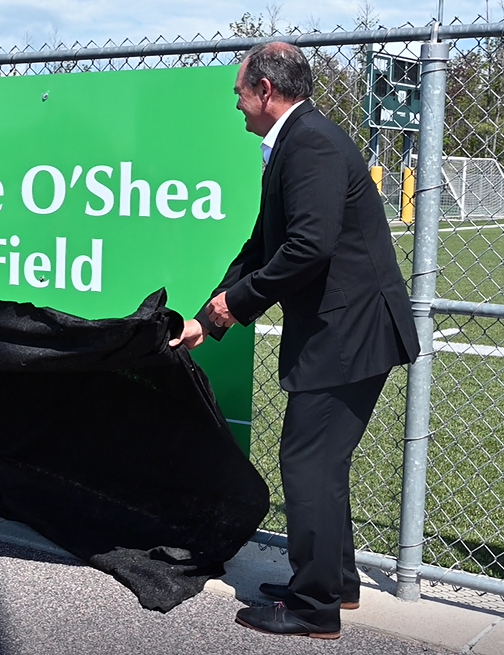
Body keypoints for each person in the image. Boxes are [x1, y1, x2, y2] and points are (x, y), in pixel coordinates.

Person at [170, 42, 420, 639]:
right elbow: (263, 246)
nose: (236, 104)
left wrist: (237, 303)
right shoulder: (294, 141)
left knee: (307, 460)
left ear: (265, 90)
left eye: (240, 92)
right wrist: (213, 313)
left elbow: (309, 247)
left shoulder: (308, 143)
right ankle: (335, 583)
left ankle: (314, 608)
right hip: (344, 329)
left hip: (350, 332)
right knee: (322, 461)